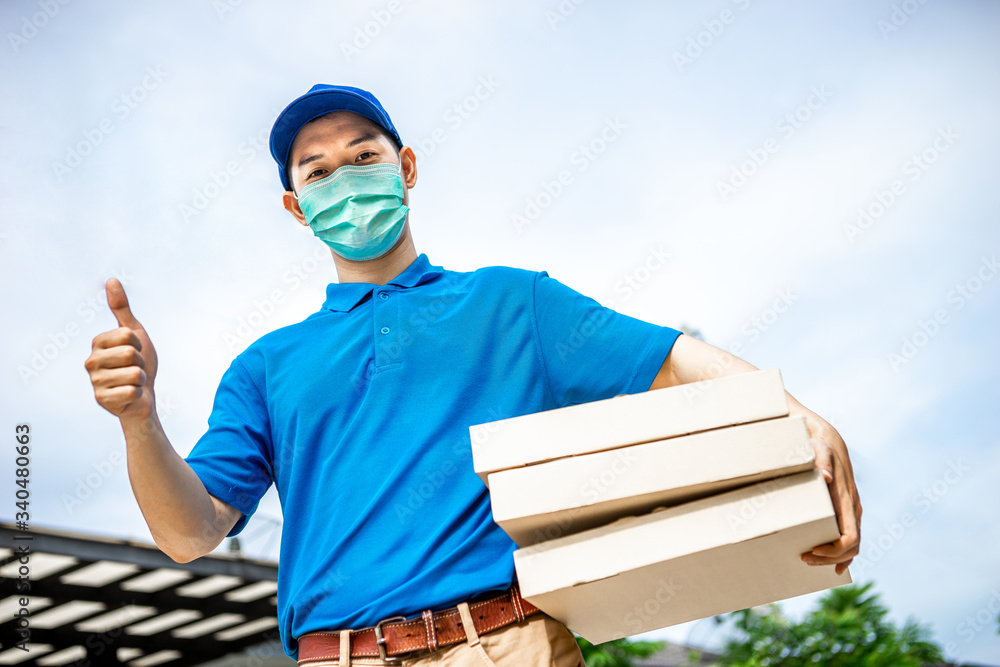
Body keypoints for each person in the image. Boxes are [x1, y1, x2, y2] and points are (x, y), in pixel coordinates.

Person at [84, 84, 862, 666]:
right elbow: (189, 532)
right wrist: (139, 419)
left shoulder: (511, 301)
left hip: (505, 643)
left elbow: (671, 361)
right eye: (317, 172)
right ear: (296, 207)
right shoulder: (265, 366)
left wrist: (798, 414)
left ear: (406, 166)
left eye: (364, 155)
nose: (344, 178)